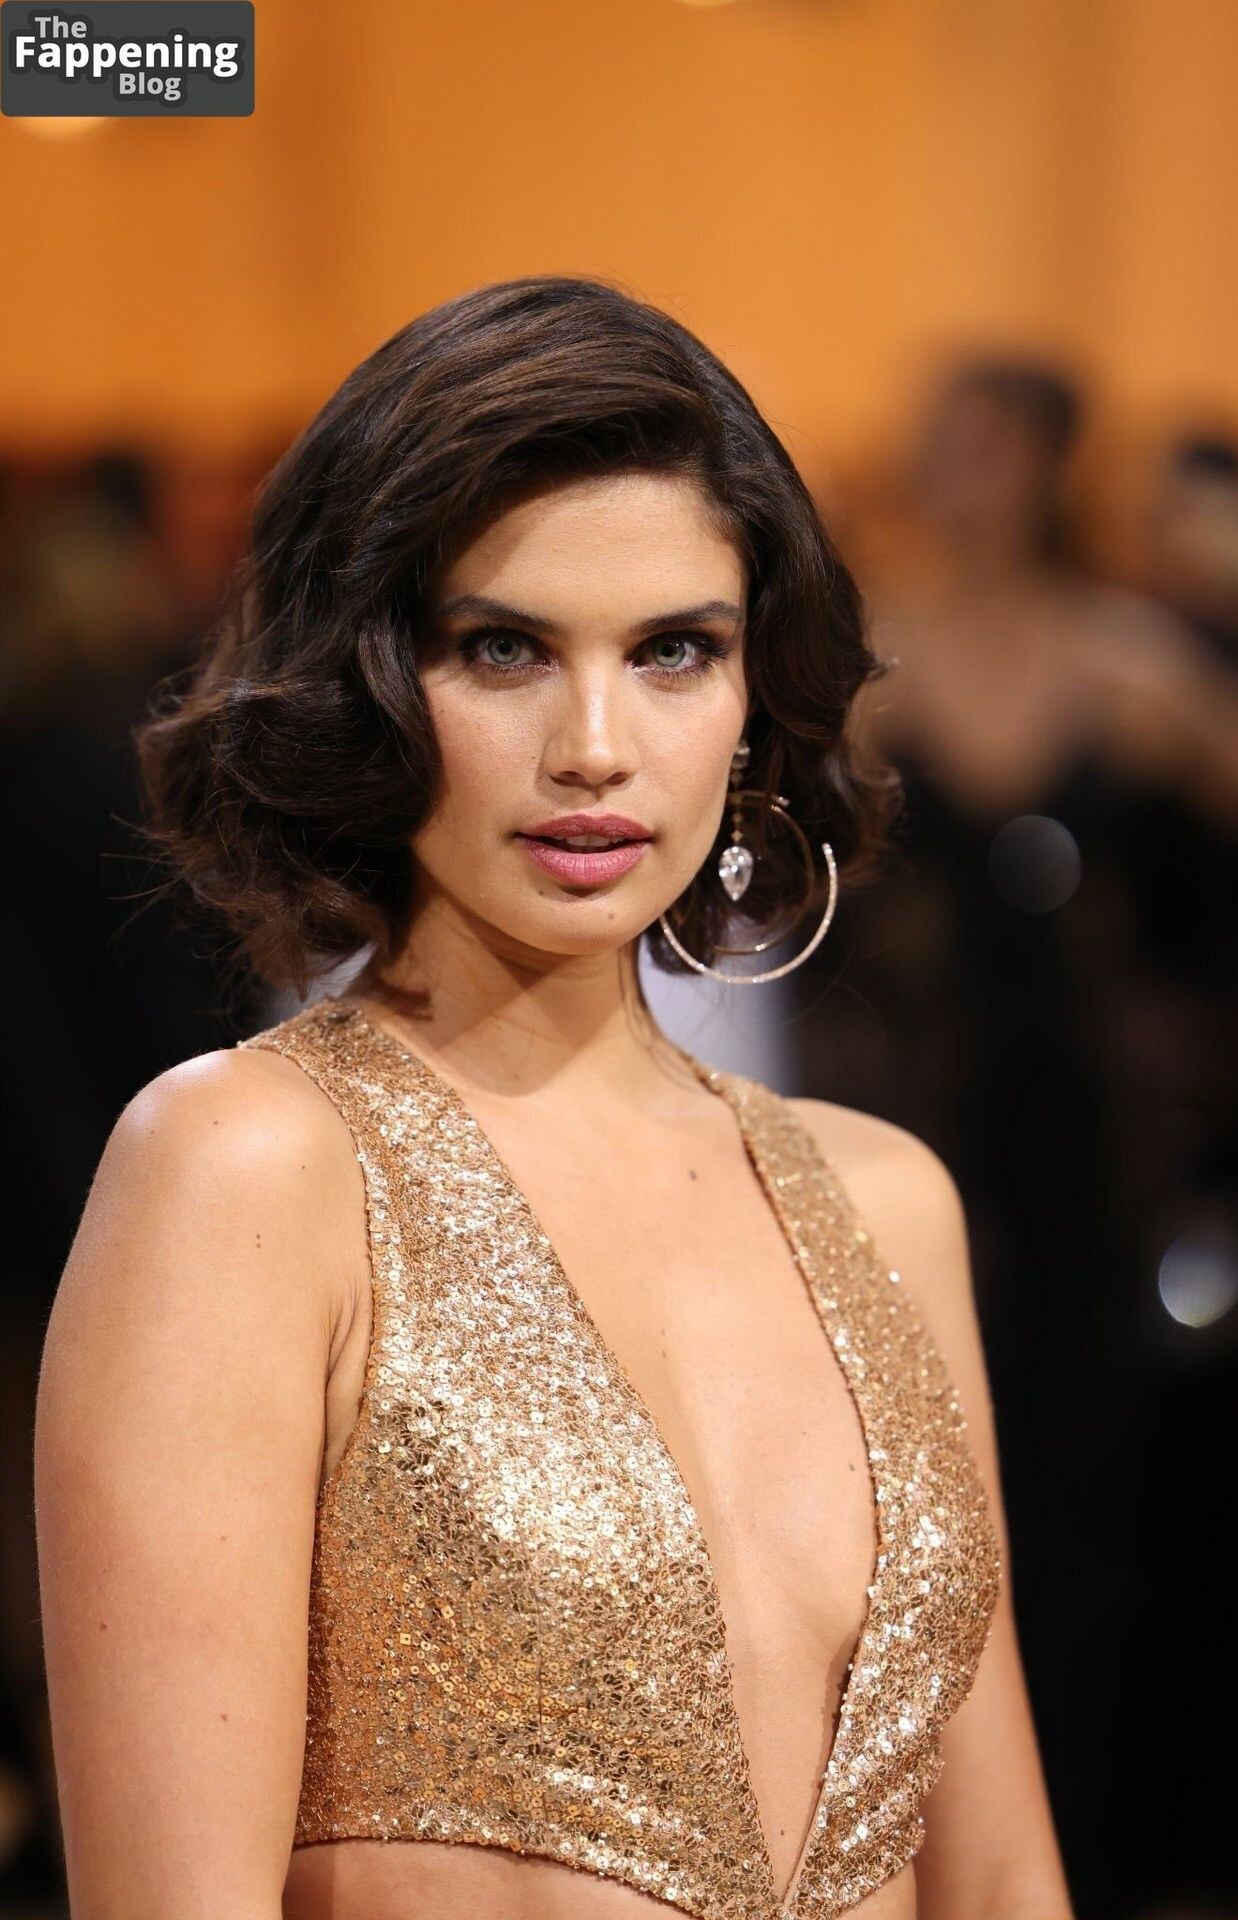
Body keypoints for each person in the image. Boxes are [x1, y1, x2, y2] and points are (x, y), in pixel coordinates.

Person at [33, 277, 1073, 1920]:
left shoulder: (885, 1204)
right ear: (369, 679)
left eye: (674, 651)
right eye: (503, 648)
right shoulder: (246, 1172)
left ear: (751, 700)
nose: (595, 745)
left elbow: (1003, 1879)